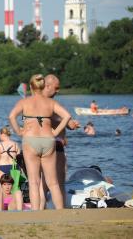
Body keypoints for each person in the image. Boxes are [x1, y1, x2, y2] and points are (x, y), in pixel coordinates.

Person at [9, 74, 71, 210]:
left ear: (31, 87)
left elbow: (11, 116)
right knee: (53, 182)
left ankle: (36, 213)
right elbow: (67, 116)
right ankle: (60, 212)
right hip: (48, 140)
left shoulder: (24, 102)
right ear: (43, 86)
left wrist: (19, 131)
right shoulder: (51, 102)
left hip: (30, 140)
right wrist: (55, 132)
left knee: (34, 182)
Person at [40, 74, 80, 208]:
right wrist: (67, 122)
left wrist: (69, 123)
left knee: (43, 183)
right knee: (58, 182)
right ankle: (61, 211)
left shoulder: (33, 101)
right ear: (47, 86)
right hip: (54, 146)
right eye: (56, 88)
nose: (58, 91)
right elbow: (53, 118)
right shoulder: (49, 103)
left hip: (39, 147)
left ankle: (40, 211)